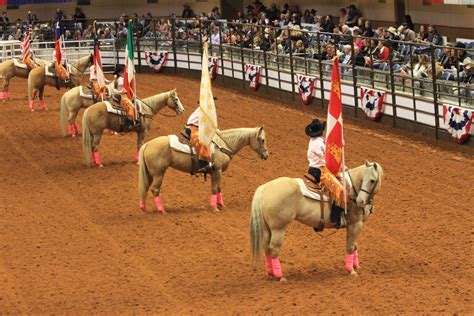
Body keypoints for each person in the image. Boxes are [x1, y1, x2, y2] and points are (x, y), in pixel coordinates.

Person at [305, 119, 344, 229]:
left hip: (316, 169)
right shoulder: (318, 143)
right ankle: (335, 218)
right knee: (339, 189)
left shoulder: (316, 141)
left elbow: (329, 148)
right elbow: (327, 156)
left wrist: (339, 146)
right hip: (319, 171)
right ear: (321, 132)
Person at [184, 103, 215, 174]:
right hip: (193, 128)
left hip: (197, 128)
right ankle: (203, 163)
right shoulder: (203, 111)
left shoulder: (204, 110)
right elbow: (207, 124)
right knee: (203, 140)